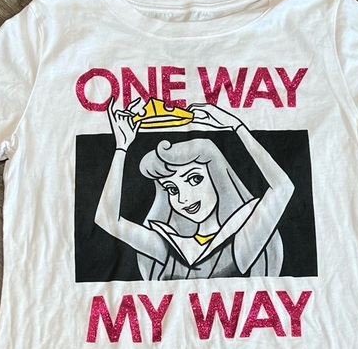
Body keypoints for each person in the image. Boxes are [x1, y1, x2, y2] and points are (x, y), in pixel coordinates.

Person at [95, 98, 295, 280]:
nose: (183, 198)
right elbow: (107, 219)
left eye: (194, 179)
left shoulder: (241, 242)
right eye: (172, 189)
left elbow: (283, 187)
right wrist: (121, 147)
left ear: (217, 177)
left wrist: (236, 126)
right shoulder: (166, 245)